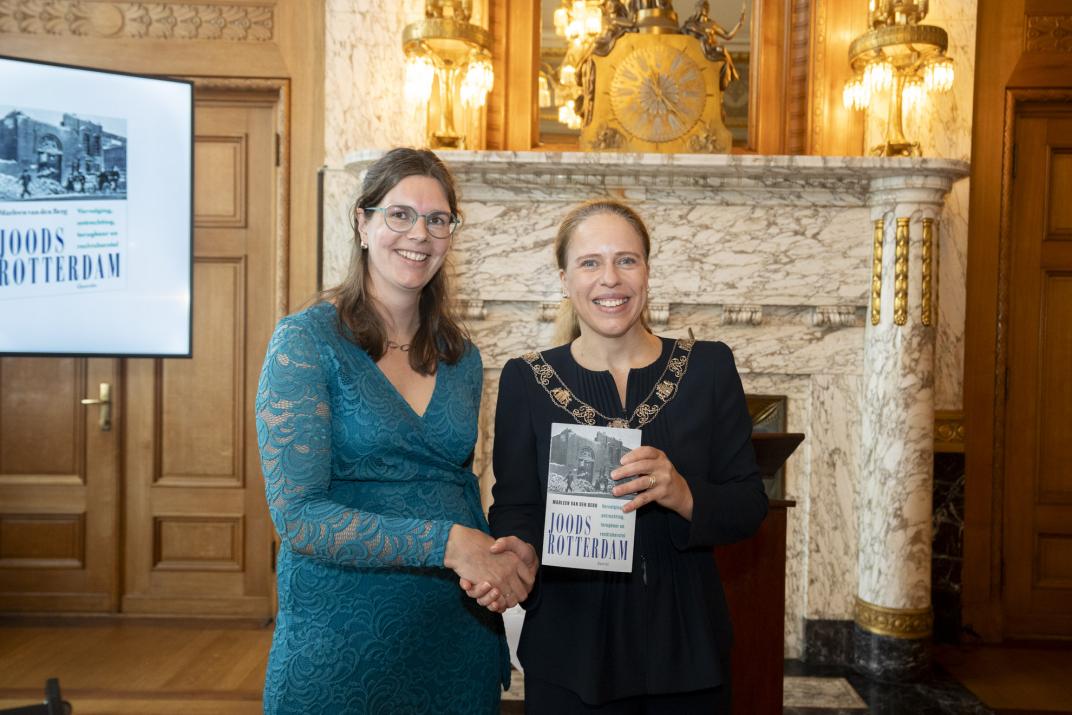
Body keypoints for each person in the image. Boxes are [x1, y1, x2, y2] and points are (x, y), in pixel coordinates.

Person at [255, 147, 536, 714]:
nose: (420, 234)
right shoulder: (305, 344)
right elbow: (299, 517)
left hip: (455, 640)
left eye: (438, 220)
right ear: (363, 223)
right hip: (341, 646)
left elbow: (463, 484)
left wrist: (510, 554)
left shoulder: (462, 356)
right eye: (400, 214)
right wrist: (449, 543)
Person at [485, 199, 768, 713]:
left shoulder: (708, 367)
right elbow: (515, 505)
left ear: (647, 270)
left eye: (626, 260)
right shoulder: (526, 379)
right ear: (565, 280)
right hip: (570, 646)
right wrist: (520, 551)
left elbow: (749, 504)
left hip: (685, 646)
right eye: (590, 262)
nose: (609, 279)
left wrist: (683, 494)